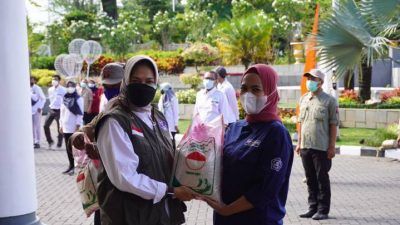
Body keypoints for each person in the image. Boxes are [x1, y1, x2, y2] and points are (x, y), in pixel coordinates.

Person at [94, 55, 196, 225]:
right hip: (129, 215)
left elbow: (167, 156)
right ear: (125, 81)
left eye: (149, 81)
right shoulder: (114, 121)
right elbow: (125, 178)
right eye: (136, 80)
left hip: (162, 214)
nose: (143, 85)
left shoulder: (158, 117)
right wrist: (171, 191)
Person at [201, 64, 294, 225]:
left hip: (259, 219)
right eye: (244, 88)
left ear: (270, 93)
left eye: (256, 89)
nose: (247, 95)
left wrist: (226, 210)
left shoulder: (276, 133)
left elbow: (266, 189)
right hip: (225, 219)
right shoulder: (234, 128)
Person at [69, 63, 125, 225]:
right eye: (107, 86)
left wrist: (102, 152)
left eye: (115, 86)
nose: (110, 90)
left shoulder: (139, 112)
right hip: (106, 185)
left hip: (129, 190)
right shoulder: (109, 108)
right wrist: (78, 135)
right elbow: (89, 127)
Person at [295, 69, 338, 220]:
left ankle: (323, 210)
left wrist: (332, 146)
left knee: (322, 179)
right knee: (310, 178)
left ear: (320, 82)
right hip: (306, 146)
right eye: (308, 78)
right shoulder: (303, 99)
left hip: (321, 147)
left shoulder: (329, 101)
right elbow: (300, 122)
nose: (310, 81)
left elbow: (333, 125)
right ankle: (312, 207)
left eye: (313, 79)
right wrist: (299, 143)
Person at [60, 81, 83, 175]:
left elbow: (80, 113)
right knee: (68, 148)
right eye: (68, 86)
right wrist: (60, 125)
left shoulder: (78, 98)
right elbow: (62, 113)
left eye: (72, 86)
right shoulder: (64, 98)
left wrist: (78, 126)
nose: (70, 87)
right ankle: (70, 166)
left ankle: (76, 167)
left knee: (76, 149)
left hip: (74, 127)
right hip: (65, 127)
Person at [44, 74, 66, 149]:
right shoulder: (50, 89)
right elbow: (51, 99)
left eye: (56, 79)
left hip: (60, 110)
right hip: (51, 109)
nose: (54, 81)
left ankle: (59, 144)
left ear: (59, 81)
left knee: (59, 127)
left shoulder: (63, 90)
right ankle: (50, 141)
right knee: (45, 126)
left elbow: (65, 101)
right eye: (53, 79)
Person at [158, 82, 180, 151]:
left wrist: (176, 124)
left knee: (171, 140)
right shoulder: (162, 98)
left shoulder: (173, 98)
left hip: (171, 123)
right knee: (164, 139)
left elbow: (176, 112)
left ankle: (173, 155)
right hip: (162, 123)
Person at [31, 76, 46, 149]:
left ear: (34, 80)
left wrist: (40, 107)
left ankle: (37, 142)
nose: (30, 80)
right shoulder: (24, 87)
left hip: (37, 110)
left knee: (37, 126)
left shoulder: (37, 88)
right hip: (28, 111)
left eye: (32, 79)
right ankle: (32, 141)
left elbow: (43, 98)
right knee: (31, 127)